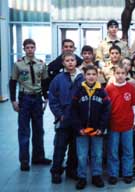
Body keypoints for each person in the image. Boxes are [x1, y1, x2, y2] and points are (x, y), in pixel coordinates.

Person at [9, 38, 51, 171]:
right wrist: (13, 100)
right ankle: (24, 160)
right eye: (27, 47)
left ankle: (38, 157)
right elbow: (13, 82)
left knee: (39, 129)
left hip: (38, 99)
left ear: (35, 48)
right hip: (24, 99)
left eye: (32, 47)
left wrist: (46, 98)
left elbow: (44, 82)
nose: (30, 50)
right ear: (24, 49)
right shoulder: (18, 65)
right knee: (24, 130)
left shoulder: (41, 64)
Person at [71, 65, 110, 189]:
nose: (91, 77)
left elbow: (106, 111)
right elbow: (73, 110)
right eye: (88, 74)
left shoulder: (102, 92)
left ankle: (96, 176)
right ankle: (82, 177)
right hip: (81, 130)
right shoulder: (79, 90)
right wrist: (78, 128)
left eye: (93, 74)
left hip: (96, 130)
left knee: (97, 154)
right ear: (84, 76)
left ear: (97, 76)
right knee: (82, 155)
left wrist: (101, 128)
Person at [49, 53, 84, 184]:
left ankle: (71, 170)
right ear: (63, 63)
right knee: (60, 147)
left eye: (72, 60)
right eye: (67, 61)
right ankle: (56, 171)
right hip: (63, 119)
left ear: (76, 62)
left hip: (77, 121)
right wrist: (59, 115)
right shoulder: (58, 79)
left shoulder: (82, 78)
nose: (70, 62)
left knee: (75, 148)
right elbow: (52, 99)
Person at [106, 63, 135, 185]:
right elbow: (105, 108)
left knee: (128, 150)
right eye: (118, 73)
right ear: (114, 74)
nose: (120, 76)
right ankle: (113, 174)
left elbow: (134, 106)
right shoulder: (108, 89)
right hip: (113, 125)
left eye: (123, 73)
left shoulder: (130, 88)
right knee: (113, 150)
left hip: (127, 125)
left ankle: (127, 173)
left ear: (126, 75)